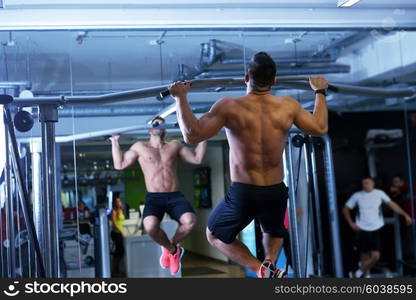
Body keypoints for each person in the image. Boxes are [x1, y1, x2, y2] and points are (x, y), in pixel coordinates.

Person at [168, 51, 329, 278]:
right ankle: (270, 263)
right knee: (273, 229)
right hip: (275, 189)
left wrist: (180, 97)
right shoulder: (288, 107)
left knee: (214, 234)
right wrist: (320, 92)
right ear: (274, 81)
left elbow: (192, 135)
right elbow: (320, 127)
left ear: (246, 78)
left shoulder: (229, 106)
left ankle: (259, 269)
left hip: (245, 192)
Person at [109, 117, 207, 275]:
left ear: (165, 128)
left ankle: (171, 247)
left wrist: (204, 137)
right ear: (149, 129)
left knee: (190, 222)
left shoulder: (175, 145)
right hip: (154, 198)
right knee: (150, 227)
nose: (158, 125)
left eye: (161, 123)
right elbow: (119, 164)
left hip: (175, 196)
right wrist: (114, 141)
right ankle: (173, 249)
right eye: (155, 123)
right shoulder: (140, 147)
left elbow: (197, 158)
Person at [343, 177, 413, 278]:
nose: (365, 185)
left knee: (376, 256)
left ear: (372, 184)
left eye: (367, 183)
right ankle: (365, 276)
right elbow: (345, 209)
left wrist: (405, 214)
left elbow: (392, 205)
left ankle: (359, 271)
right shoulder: (357, 195)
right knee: (364, 256)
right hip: (362, 228)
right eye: (363, 183)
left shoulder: (379, 193)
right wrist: (351, 223)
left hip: (376, 228)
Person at [110, 196, 125, 277]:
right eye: (117, 201)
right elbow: (114, 225)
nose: (119, 203)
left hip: (120, 233)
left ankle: (117, 269)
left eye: (119, 201)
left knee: (120, 252)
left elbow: (121, 222)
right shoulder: (114, 212)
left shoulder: (121, 211)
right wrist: (121, 232)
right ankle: (114, 270)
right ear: (115, 203)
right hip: (116, 233)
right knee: (118, 252)